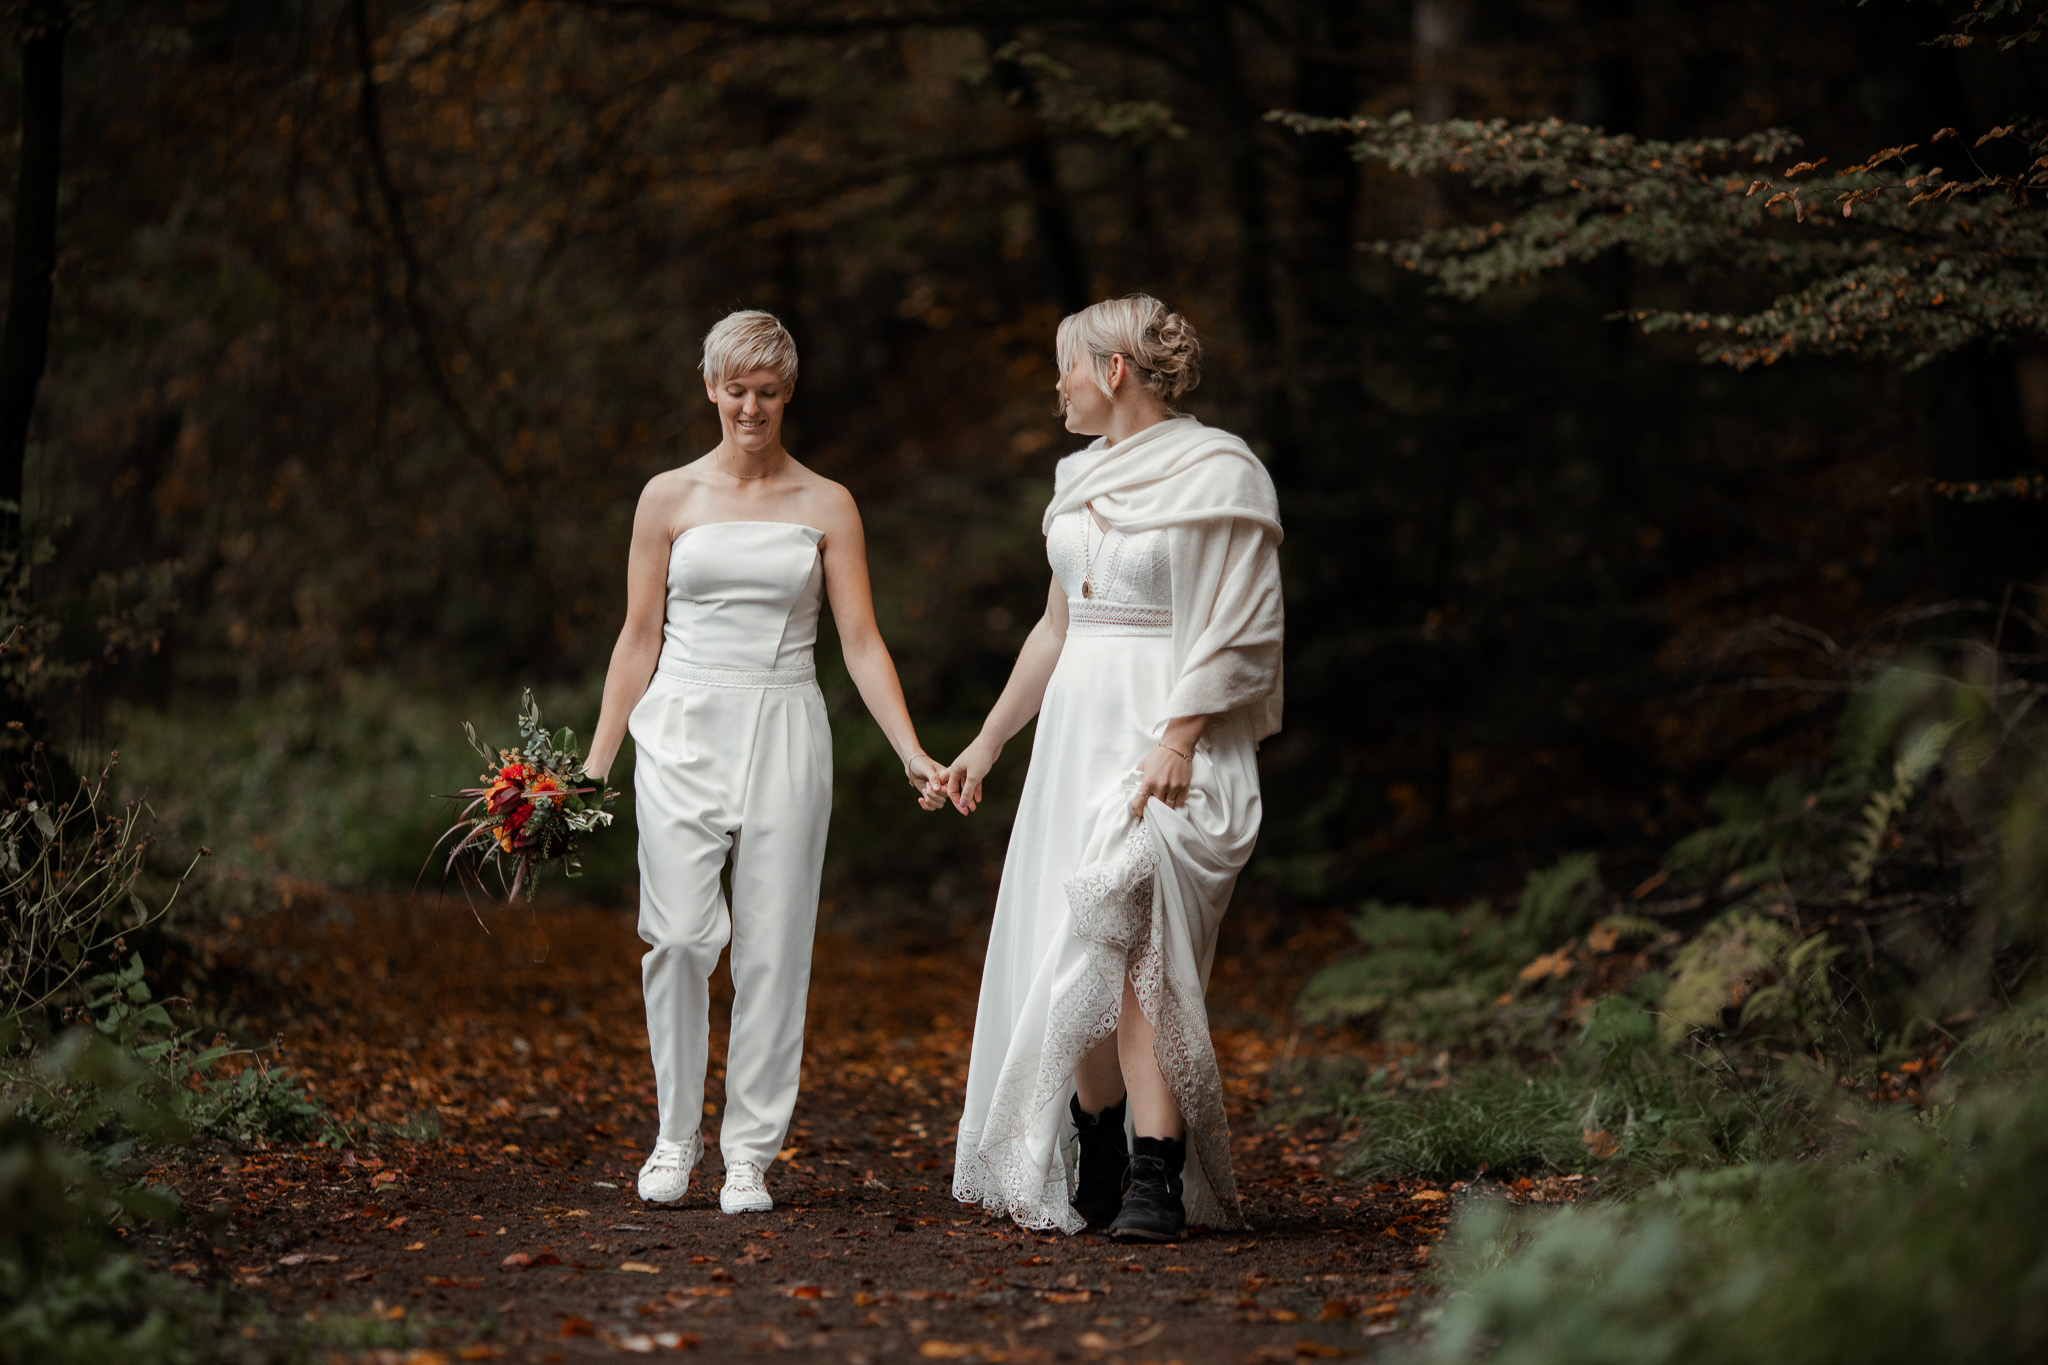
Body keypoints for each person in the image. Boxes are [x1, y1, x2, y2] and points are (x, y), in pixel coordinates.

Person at [582, 310, 946, 1215]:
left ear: (789, 394)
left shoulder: (828, 504)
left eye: (769, 391)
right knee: (676, 936)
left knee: (775, 948)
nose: (752, 406)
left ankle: (748, 1153)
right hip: (681, 720)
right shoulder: (666, 497)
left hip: (785, 720)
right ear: (710, 388)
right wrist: (593, 766)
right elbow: (637, 637)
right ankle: (674, 1138)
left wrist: (910, 750)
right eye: (736, 388)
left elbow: (860, 640)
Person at [940, 295, 1284, 1241]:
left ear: (1114, 371)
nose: (1056, 385)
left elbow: (1243, 620)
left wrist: (1177, 735)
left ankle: (1154, 1173)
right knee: (1076, 946)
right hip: (1074, 735)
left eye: (1066, 367)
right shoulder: (1076, 476)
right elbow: (1057, 627)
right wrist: (989, 740)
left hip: (1165, 734)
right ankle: (1094, 1137)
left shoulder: (1221, 472)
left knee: (1142, 948)